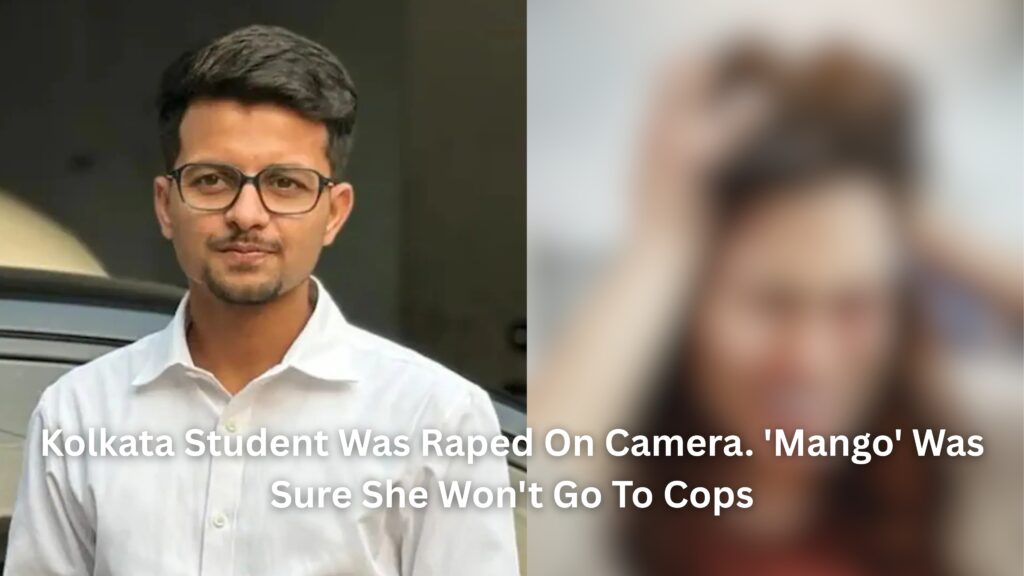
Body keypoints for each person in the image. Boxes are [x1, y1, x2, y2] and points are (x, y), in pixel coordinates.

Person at [4, 24, 519, 576]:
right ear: (165, 205)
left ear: (335, 213)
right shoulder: (79, 414)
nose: (246, 214)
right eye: (212, 180)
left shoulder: (435, 418)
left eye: (285, 184)